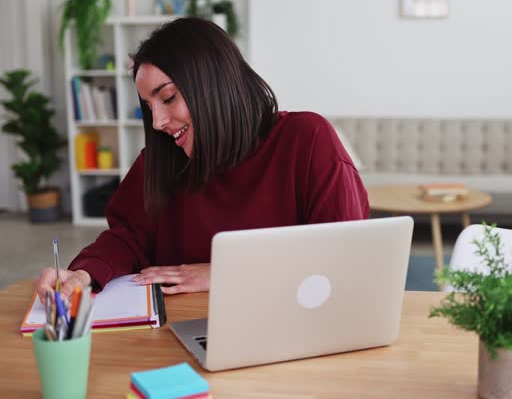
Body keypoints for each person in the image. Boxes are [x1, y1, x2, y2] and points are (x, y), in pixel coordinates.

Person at [35, 17, 368, 300]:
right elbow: (126, 238)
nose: (157, 123)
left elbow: (343, 259)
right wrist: (82, 273)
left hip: (288, 328)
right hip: (180, 335)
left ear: (214, 85)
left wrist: (226, 272)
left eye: (168, 98)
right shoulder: (160, 160)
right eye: (149, 107)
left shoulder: (307, 140)